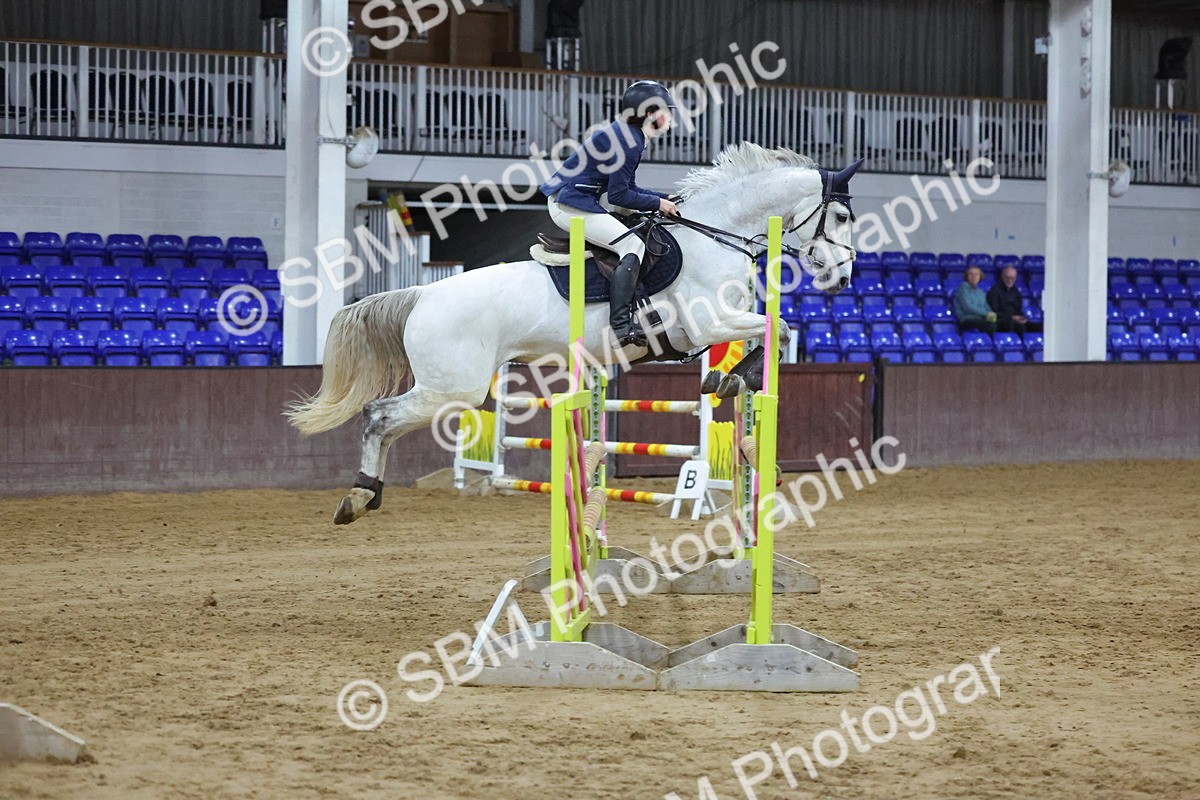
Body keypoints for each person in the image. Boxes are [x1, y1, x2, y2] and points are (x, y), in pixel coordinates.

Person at [539, 80, 680, 347]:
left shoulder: (630, 135)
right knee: (633, 244)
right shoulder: (629, 142)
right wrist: (658, 204)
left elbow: (627, 188)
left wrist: (662, 198)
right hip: (569, 204)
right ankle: (621, 326)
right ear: (650, 114)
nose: (671, 117)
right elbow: (618, 196)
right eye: (666, 111)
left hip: (577, 199)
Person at [987, 266, 1040, 334]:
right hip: (1002, 319)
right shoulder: (994, 291)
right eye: (1007, 278)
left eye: (1012, 278)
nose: (1010, 280)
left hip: (1015, 319)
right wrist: (1011, 317)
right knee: (1016, 326)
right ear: (1002, 276)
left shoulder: (1015, 291)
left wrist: (1022, 318)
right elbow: (994, 311)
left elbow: (1018, 308)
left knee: (1039, 327)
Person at [951, 266, 996, 334]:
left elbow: (986, 306)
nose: (974, 276)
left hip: (980, 318)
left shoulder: (981, 292)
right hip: (967, 319)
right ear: (967, 276)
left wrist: (991, 313)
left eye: (976, 274)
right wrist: (986, 313)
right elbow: (967, 307)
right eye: (971, 274)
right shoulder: (962, 288)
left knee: (1002, 322)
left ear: (980, 277)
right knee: (990, 325)